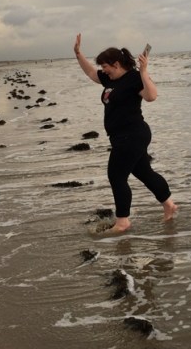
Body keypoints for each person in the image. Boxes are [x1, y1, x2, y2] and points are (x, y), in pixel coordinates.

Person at [73, 33, 178, 233]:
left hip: (132, 135)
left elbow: (151, 96)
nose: (103, 70)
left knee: (116, 176)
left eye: (105, 66)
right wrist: (78, 54)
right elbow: (91, 73)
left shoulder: (134, 78)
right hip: (122, 137)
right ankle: (169, 205)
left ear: (116, 64)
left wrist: (144, 71)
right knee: (144, 172)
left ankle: (123, 221)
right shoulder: (111, 78)